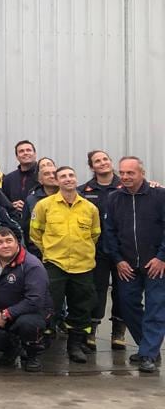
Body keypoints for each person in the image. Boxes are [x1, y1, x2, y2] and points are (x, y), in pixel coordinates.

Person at [30, 165, 100, 363]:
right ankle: (44, 340)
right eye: (63, 176)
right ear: (57, 181)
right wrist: (49, 251)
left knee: (82, 307)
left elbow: (95, 234)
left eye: (71, 175)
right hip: (55, 264)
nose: (68, 179)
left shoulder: (90, 208)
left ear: (76, 179)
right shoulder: (44, 205)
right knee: (50, 304)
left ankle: (75, 345)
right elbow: (35, 233)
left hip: (83, 265)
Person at [101, 157, 165, 373]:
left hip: (156, 265)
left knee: (155, 309)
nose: (126, 177)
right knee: (127, 307)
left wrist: (161, 257)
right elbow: (109, 231)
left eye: (131, 173)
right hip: (127, 265)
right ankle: (150, 348)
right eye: (123, 173)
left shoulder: (159, 195)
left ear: (142, 173)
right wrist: (118, 260)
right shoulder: (114, 198)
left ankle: (147, 354)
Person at [0, 226, 52, 372]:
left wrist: (7, 314)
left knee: (28, 325)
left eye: (9, 241)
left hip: (32, 311)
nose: (5, 245)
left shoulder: (32, 265)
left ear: (17, 242)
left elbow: (35, 300)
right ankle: (12, 348)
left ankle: (33, 355)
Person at [80, 150, 123, 349]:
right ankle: (92, 332)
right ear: (92, 167)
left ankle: (118, 333)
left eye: (105, 159)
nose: (103, 163)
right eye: (98, 161)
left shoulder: (126, 186)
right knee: (96, 291)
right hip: (96, 250)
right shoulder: (85, 191)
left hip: (124, 250)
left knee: (123, 292)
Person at [20, 160, 59, 256]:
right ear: (40, 180)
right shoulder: (31, 200)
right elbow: (25, 227)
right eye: (47, 174)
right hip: (39, 252)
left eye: (54, 173)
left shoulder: (71, 196)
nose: (52, 176)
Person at [3, 140, 40, 214]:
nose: (25, 153)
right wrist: (11, 206)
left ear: (35, 154)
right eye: (21, 151)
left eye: (28, 150)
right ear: (17, 157)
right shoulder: (8, 179)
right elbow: (4, 202)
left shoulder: (44, 176)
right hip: (15, 222)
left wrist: (28, 206)